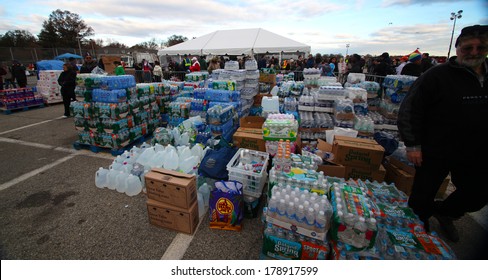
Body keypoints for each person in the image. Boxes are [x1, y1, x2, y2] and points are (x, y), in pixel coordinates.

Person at [397, 24, 488, 242]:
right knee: (422, 195)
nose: (474, 53)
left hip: (477, 148)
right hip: (435, 148)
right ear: (457, 48)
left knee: (477, 193)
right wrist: (413, 145)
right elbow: (410, 109)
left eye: (480, 47)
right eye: (468, 48)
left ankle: (446, 211)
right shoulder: (437, 75)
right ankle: (417, 233)